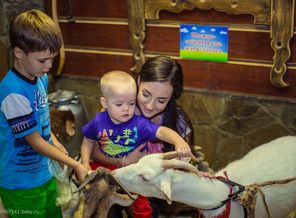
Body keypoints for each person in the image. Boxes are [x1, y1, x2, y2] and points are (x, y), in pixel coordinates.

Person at [0, 9, 89, 218]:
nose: (49, 66)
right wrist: (75, 164)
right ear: (19, 53)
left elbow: (41, 120)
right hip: (20, 183)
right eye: (43, 60)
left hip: (44, 172)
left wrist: (55, 141)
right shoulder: (13, 93)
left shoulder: (41, 77)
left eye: (52, 58)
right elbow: (34, 141)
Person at [90, 56, 195, 217]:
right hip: (117, 185)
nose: (150, 105)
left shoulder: (177, 121)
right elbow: (94, 152)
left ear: (172, 97)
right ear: (139, 81)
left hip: (157, 193)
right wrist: (123, 161)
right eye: (146, 94)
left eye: (161, 100)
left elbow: (181, 168)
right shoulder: (118, 109)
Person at [81, 70, 192, 171]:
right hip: (104, 167)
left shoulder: (139, 123)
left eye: (131, 103)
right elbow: (88, 142)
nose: (126, 109)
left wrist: (178, 141)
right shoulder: (100, 119)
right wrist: (84, 163)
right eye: (119, 104)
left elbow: (161, 131)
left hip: (133, 172)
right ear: (105, 103)